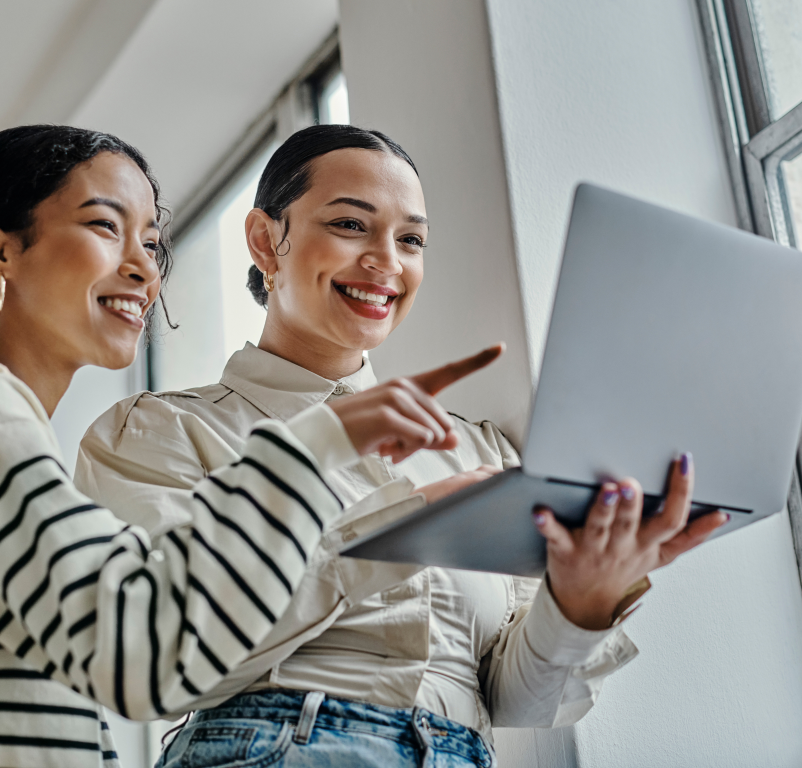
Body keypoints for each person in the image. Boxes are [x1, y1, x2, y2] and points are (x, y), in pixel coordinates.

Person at [0, 125, 501, 768]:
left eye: (152, 243)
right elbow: (146, 654)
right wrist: (319, 444)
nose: (143, 270)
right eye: (105, 227)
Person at [77, 125, 728, 767]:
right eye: (350, 225)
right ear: (265, 241)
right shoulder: (161, 430)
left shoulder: (480, 451)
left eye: (411, 239)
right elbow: (159, 656)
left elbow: (517, 701)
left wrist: (583, 601)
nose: (386, 260)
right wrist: (405, 529)